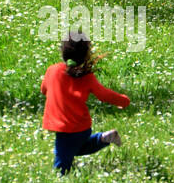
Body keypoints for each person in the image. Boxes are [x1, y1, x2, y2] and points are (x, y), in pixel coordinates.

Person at [39, 33, 129, 173]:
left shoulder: (52, 71)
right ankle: (104, 138)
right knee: (78, 148)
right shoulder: (86, 76)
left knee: (62, 160)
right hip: (81, 126)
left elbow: (44, 89)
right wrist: (123, 100)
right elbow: (104, 94)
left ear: (63, 52)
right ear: (85, 55)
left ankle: (61, 179)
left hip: (66, 128)